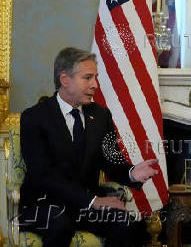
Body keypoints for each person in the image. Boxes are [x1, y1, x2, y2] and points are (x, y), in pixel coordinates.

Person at [19, 47, 160, 246]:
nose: (95, 85)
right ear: (65, 79)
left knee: (128, 225)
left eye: (96, 77)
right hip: (46, 204)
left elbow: (111, 160)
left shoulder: (101, 116)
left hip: (86, 206)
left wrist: (131, 172)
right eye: (88, 77)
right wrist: (93, 201)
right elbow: (43, 175)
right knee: (61, 226)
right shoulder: (35, 117)